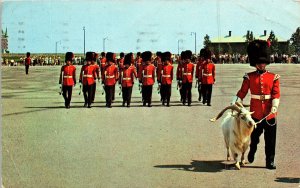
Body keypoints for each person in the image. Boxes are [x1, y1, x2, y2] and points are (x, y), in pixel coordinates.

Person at [232, 40, 280, 170]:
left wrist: (274, 105)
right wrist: (235, 102)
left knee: (270, 141)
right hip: (255, 114)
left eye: (263, 62)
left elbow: (276, 94)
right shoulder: (249, 77)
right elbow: (242, 92)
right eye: (259, 63)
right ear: (255, 63)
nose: (262, 65)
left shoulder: (273, 77)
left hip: (270, 114)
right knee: (254, 137)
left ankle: (269, 161)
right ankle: (252, 149)